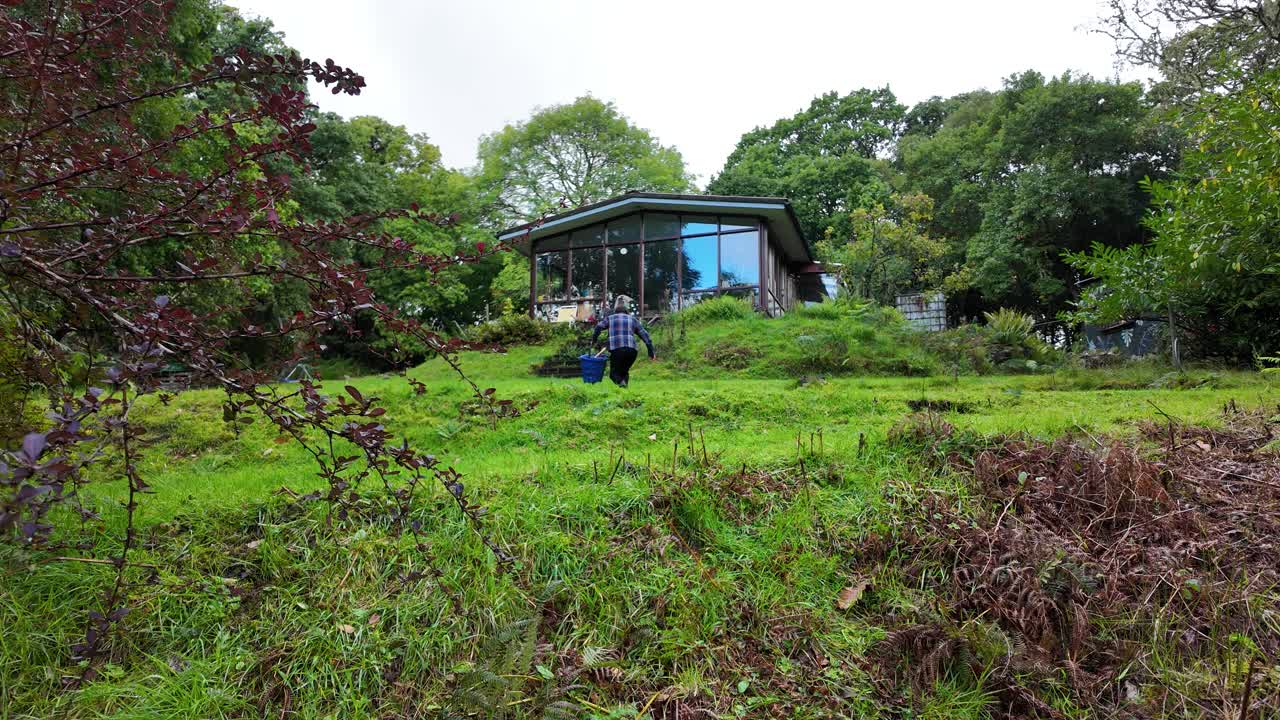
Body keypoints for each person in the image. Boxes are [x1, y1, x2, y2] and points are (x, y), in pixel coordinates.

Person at [591, 295, 655, 387]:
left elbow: (598, 327)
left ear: (615, 312)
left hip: (617, 350)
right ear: (626, 312)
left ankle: (622, 384)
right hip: (632, 351)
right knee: (624, 372)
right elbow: (645, 335)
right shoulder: (633, 319)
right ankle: (624, 393)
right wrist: (651, 351)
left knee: (614, 374)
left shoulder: (610, 318)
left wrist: (594, 340)